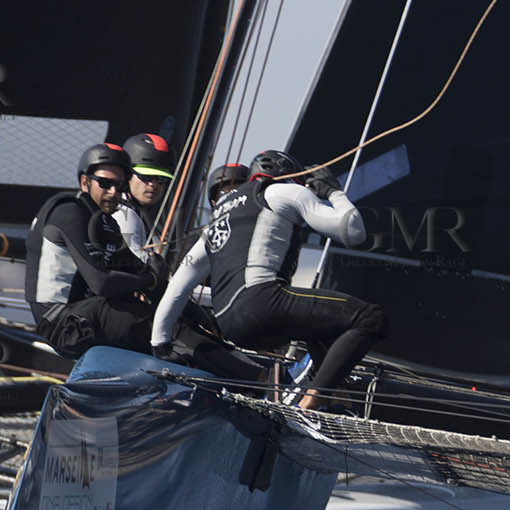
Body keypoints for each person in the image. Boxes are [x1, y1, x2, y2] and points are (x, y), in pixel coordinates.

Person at [151, 149, 383, 411]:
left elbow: (179, 285)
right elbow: (354, 231)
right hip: (262, 303)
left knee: (321, 324)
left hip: (230, 324)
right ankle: (311, 400)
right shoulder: (283, 191)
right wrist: (333, 192)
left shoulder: (216, 220)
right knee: (369, 317)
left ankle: (335, 399)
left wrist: (159, 343)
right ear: (289, 175)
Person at [24, 141, 270, 381]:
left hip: (86, 315)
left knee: (172, 318)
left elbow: (147, 279)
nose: (113, 192)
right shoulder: (69, 211)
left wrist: (198, 314)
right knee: (166, 329)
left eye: (119, 186)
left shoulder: (104, 222)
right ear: (84, 181)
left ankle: (238, 375)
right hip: (62, 323)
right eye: (105, 183)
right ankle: (261, 380)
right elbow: (101, 283)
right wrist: (150, 277)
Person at [113, 132, 175, 260]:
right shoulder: (123, 215)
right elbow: (139, 265)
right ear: (126, 175)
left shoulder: (150, 217)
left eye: (161, 178)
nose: (153, 184)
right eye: (145, 177)